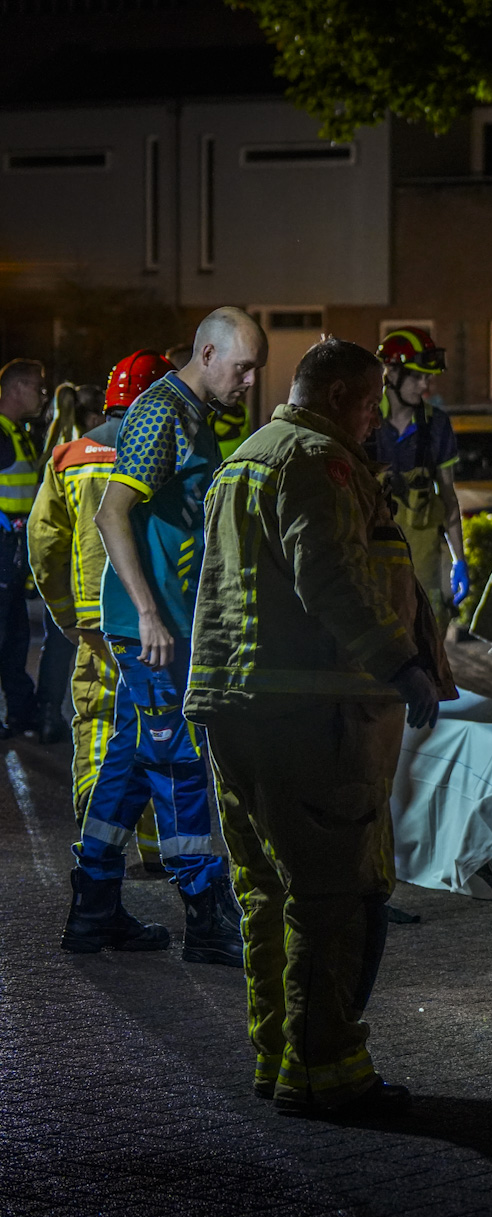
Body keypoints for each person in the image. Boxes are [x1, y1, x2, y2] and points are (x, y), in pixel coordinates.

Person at [187, 337, 448, 1119]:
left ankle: (279, 1056)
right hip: (311, 716)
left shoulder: (248, 457)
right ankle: (330, 1071)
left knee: (265, 894)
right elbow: (330, 572)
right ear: (338, 396)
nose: (375, 422)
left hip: (237, 709)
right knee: (333, 897)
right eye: (370, 405)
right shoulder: (318, 462)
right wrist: (401, 665)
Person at [73, 308, 263, 963]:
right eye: (242, 367)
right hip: (151, 632)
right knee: (181, 764)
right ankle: (208, 919)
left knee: (126, 769)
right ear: (208, 354)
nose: (250, 380)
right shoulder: (162, 414)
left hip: (162, 627)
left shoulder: (193, 414)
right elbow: (110, 514)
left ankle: (92, 912)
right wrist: (149, 615)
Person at [28, 350, 172, 846]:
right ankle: (156, 848)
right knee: (158, 723)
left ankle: (97, 837)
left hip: (92, 619)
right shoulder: (167, 452)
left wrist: (65, 613)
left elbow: (44, 542)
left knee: (96, 720)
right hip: (158, 618)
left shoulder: (67, 458)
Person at [366, 328, 470, 632]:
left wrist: (458, 560)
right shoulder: (364, 421)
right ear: (391, 372)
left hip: (421, 563)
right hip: (371, 558)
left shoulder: (436, 425)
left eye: (428, 377)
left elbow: (448, 496)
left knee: (425, 636)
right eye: (418, 377)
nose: (426, 385)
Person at [0, 358, 46, 738]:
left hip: (13, 550)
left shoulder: (18, 432)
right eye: (35, 386)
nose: (41, 395)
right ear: (15, 388)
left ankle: (20, 712)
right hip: (1, 548)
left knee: (15, 636)